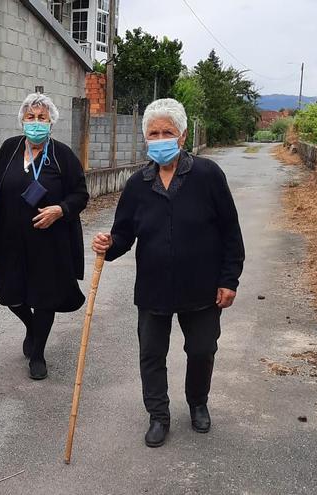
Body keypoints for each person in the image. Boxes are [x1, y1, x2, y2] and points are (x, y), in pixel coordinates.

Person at [92, 98, 245, 448]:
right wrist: (107, 243)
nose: (160, 138)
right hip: (154, 288)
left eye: (168, 132)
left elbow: (230, 232)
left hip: (202, 286)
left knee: (202, 349)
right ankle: (158, 415)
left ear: (183, 135)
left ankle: (197, 402)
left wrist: (228, 279)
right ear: (146, 137)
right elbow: (123, 236)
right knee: (151, 354)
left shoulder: (207, 175)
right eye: (154, 133)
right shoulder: (137, 184)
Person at [0, 93, 89, 380]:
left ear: (51, 122)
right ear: (22, 120)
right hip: (10, 239)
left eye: (42, 118)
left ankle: (37, 353)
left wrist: (60, 210)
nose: (36, 122)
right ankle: (33, 327)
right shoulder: (10, 149)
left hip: (49, 242)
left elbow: (81, 195)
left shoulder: (62, 156)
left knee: (45, 297)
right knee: (8, 294)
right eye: (30, 117)